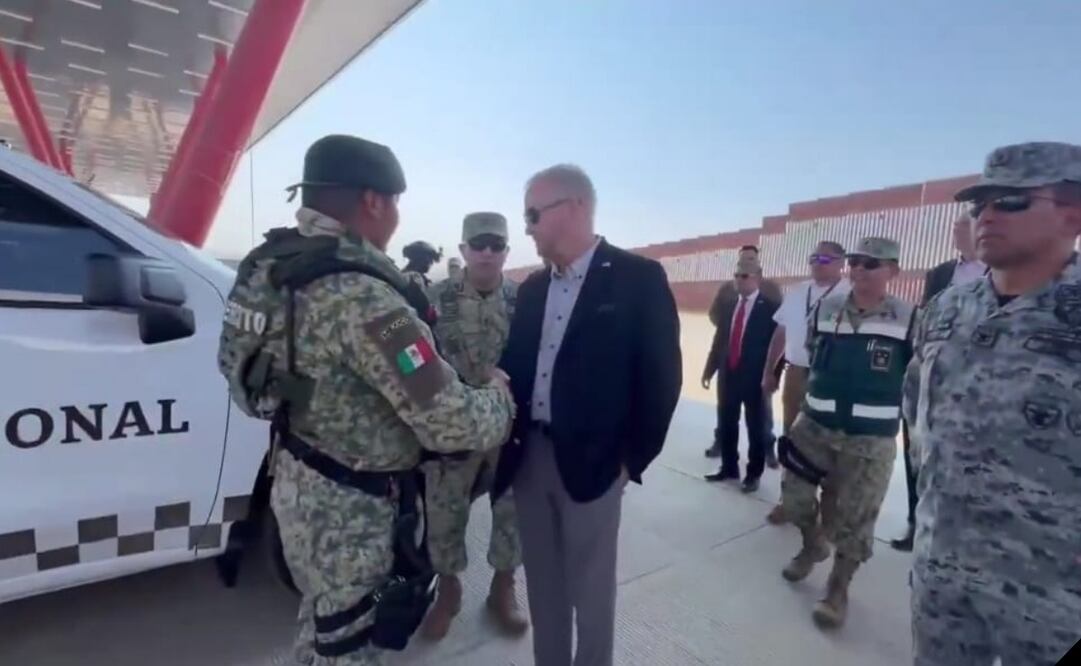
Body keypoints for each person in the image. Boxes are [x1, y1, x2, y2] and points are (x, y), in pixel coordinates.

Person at [216, 134, 515, 665]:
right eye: (395, 202)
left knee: (322, 627)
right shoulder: (369, 299)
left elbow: (238, 373)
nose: (397, 216)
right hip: (354, 519)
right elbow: (451, 422)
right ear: (373, 202)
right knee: (350, 646)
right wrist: (498, 397)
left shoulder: (268, 267)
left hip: (297, 485)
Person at [493, 164, 682, 666]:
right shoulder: (532, 289)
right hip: (530, 457)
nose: (527, 227)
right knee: (544, 587)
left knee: (591, 593)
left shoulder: (637, 279)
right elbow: (515, 365)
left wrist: (627, 464)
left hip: (597, 465)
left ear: (574, 207)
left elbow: (661, 383)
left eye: (533, 213)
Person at [903, 141, 1081, 665]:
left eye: (1012, 202)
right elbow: (918, 416)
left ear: (1073, 214)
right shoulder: (945, 309)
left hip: (1054, 602)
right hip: (943, 575)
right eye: (980, 204)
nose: (987, 216)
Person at [779, 236, 915, 630]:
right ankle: (812, 544)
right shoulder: (827, 307)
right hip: (815, 426)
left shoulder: (908, 318)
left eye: (870, 264)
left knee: (857, 520)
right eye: (854, 262)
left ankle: (837, 589)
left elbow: (920, 375)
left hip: (870, 438)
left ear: (893, 270)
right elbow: (812, 351)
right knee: (795, 498)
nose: (858, 270)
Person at [420, 212, 528, 639]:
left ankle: (503, 587)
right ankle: (448, 591)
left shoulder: (524, 300)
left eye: (496, 244)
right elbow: (404, 354)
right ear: (463, 249)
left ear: (505, 251)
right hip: (452, 435)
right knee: (444, 516)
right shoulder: (430, 297)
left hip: (507, 431)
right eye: (478, 243)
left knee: (512, 512)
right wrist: (436, 391)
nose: (486, 252)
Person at [892, 214, 985, 551]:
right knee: (917, 454)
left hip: (975, 383)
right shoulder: (940, 273)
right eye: (955, 228)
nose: (957, 233)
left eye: (963, 227)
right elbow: (923, 320)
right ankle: (916, 525)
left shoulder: (997, 274)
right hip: (929, 378)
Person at [762, 241, 849, 525]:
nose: (817, 262)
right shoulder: (799, 291)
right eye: (813, 257)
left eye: (824, 258)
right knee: (792, 438)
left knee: (829, 442)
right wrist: (769, 371)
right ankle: (789, 501)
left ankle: (829, 509)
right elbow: (780, 333)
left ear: (840, 263)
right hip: (797, 372)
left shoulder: (850, 294)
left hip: (832, 378)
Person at [703, 256, 778, 493]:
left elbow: (778, 346)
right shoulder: (728, 306)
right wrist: (710, 368)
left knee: (755, 426)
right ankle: (728, 467)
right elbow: (719, 341)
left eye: (744, 276)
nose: (738, 280)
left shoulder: (770, 309)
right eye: (736, 275)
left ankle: (753, 474)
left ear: (757, 278)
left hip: (755, 378)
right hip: (728, 374)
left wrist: (772, 376)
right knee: (727, 422)